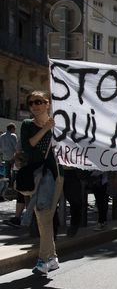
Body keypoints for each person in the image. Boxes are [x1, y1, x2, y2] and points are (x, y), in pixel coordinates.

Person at [21, 91, 64, 275]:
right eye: (31, 103)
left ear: (48, 103)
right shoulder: (27, 125)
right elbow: (28, 146)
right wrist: (46, 128)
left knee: (44, 214)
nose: (35, 106)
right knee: (42, 216)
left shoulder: (60, 124)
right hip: (36, 176)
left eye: (39, 101)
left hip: (55, 176)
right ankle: (51, 258)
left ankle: (43, 259)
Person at [0, 123, 17, 187]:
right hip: (13, 157)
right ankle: (13, 185)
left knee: (7, 172)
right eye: (14, 129)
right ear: (12, 128)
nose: (15, 130)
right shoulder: (13, 135)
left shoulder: (1, 136)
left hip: (5, 157)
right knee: (14, 171)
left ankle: (7, 185)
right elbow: (16, 147)